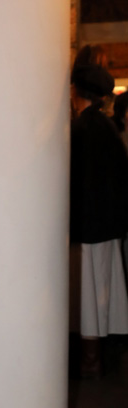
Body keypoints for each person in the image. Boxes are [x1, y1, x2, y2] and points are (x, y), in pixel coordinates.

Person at [70, 64, 128, 377]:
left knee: (88, 294)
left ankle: (90, 360)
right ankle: (99, 357)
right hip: (108, 225)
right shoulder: (106, 126)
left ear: (75, 90)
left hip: (87, 226)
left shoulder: (81, 128)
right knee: (105, 290)